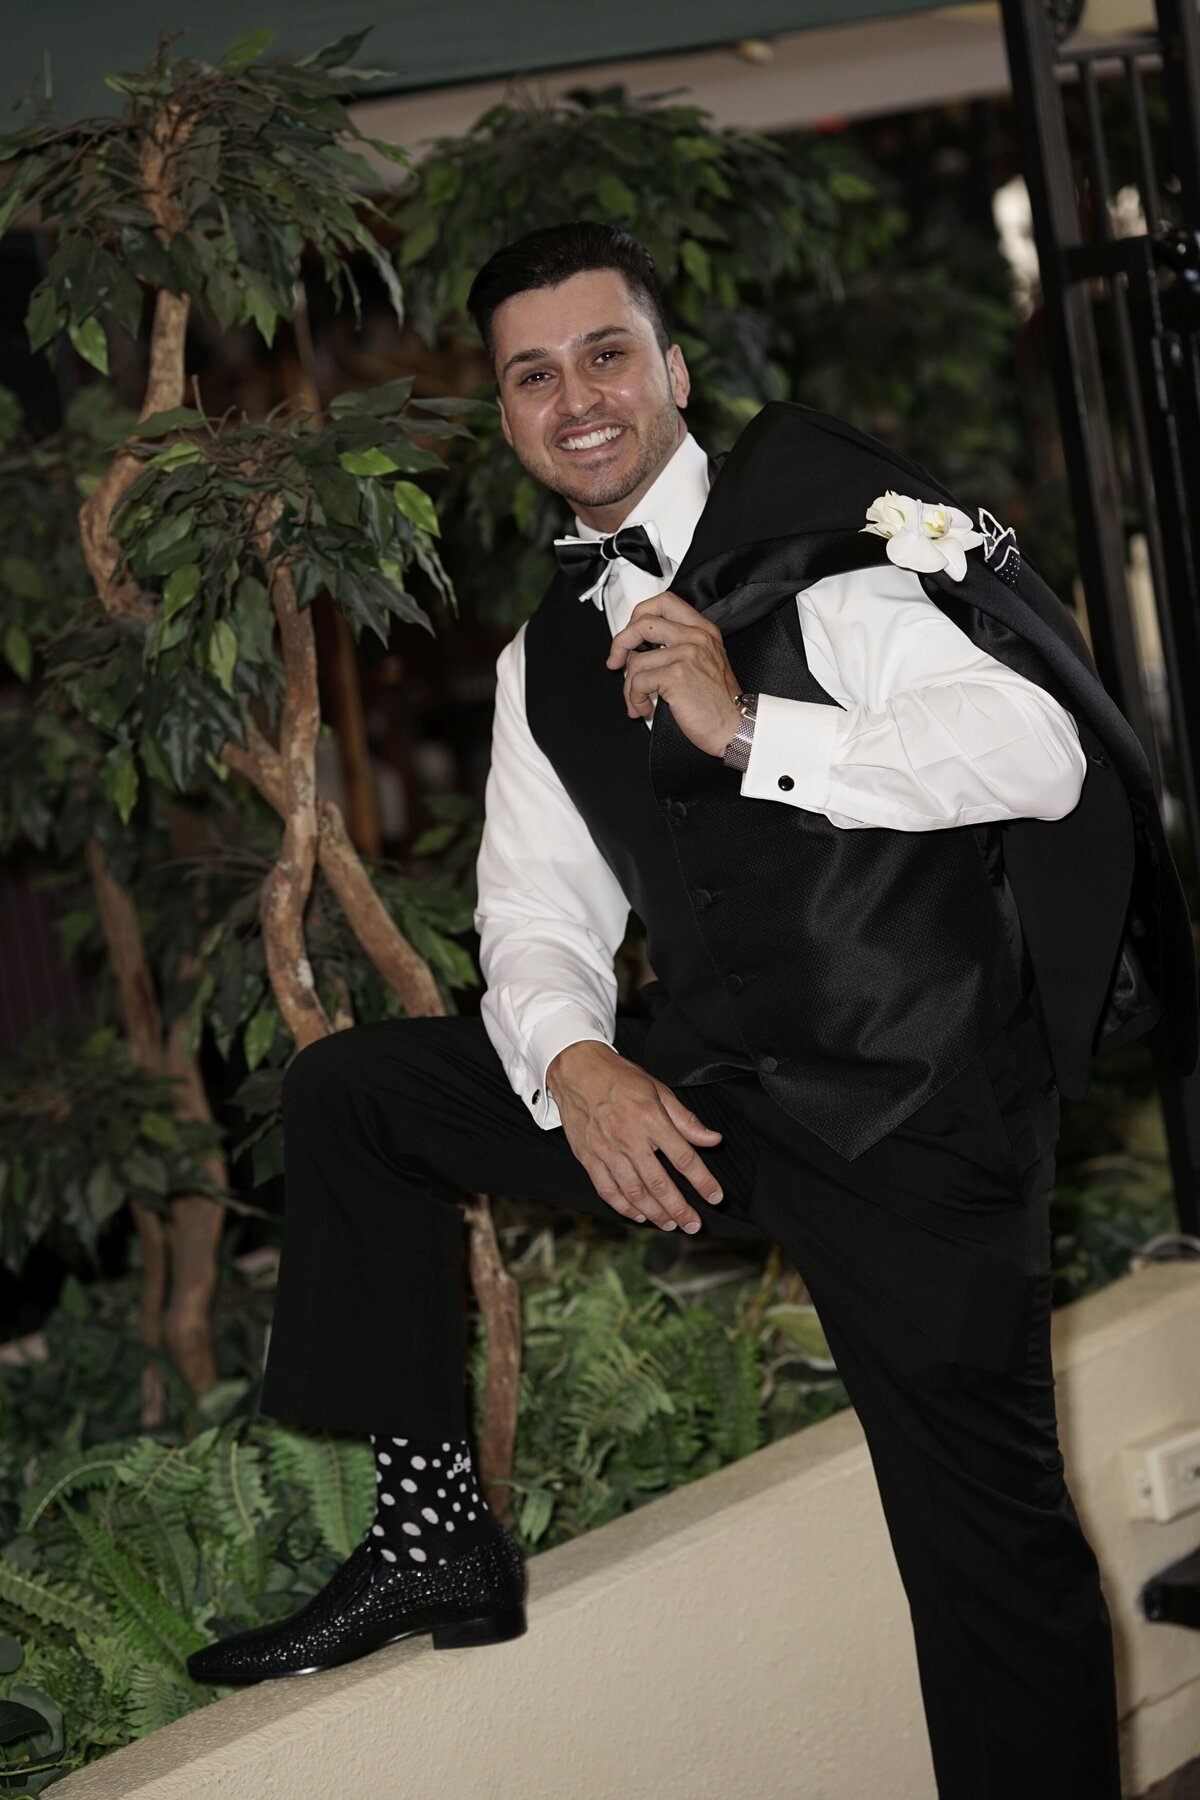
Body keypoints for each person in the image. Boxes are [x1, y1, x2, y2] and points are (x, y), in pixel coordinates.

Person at [188, 222, 1196, 1799]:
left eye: (604, 354)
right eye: (533, 375)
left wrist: (752, 730)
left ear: (667, 368)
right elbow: (534, 915)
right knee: (357, 1096)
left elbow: (1037, 752)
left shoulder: (827, 545)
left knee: (982, 1557)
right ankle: (432, 1536)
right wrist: (580, 1062)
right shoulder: (544, 659)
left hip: (919, 1115)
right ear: (511, 416)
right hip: (722, 1096)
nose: (574, 397)